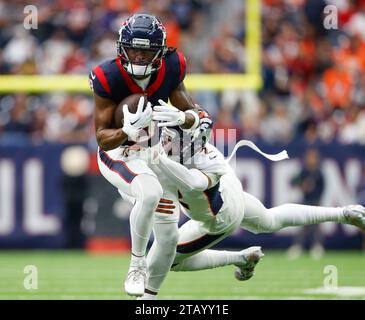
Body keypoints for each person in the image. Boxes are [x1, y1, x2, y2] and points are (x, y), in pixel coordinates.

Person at [137, 127, 365, 300]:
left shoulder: (187, 168)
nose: (164, 143)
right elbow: (193, 120)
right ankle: (344, 213)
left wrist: (155, 158)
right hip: (229, 189)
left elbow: (189, 181)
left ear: (186, 146)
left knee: (167, 260)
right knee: (269, 219)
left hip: (220, 215)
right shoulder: (202, 149)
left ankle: (239, 258)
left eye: (170, 140)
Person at [89, 13, 212, 296]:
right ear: (121, 48)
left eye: (146, 51)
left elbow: (192, 111)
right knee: (150, 192)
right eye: (133, 49)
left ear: (160, 51)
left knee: (169, 236)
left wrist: (188, 119)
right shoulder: (107, 76)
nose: (139, 57)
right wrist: (127, 131)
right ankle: (137, 264)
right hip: (119, 154)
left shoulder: (172, 66)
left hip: (154, 154)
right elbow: (102, 139)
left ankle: (150, 296)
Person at [288, 148, 326, 260]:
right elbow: (293, 181)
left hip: (316, 202)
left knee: (316, 226)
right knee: (303, 225)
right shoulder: (304, 171)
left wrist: (318, 200)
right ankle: (297, 246)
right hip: (305, 202)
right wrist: (302, 185)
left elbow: (323, 188)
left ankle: (317, 246)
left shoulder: (319, 173)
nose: (311, 159)